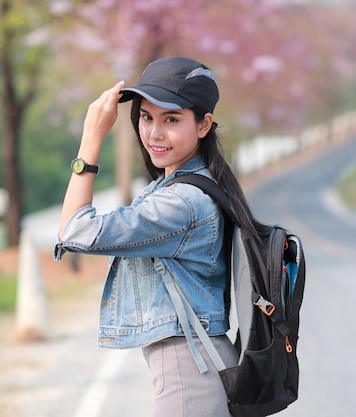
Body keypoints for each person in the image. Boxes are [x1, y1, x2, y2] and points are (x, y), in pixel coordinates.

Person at [55, 56, 266, 416]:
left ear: (204, 125)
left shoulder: (181, 202)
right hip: (198, 363)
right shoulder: (177, 187)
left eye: (171, 119)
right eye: (145, 117)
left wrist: (91, 139)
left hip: (190, 372)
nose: (154, 132)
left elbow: (76, 230)